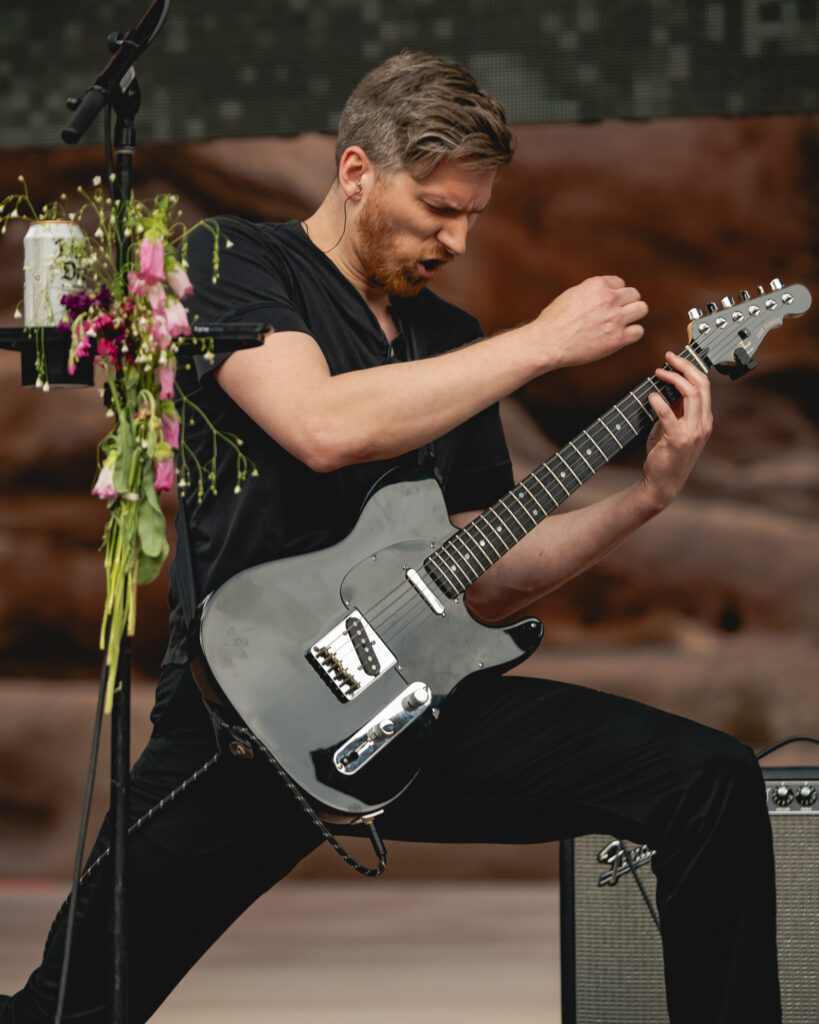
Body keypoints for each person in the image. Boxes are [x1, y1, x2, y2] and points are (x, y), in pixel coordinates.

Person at [1, 51, 780, 1023]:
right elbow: (320, 427)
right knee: (66, 1008)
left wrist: (644, 498)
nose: (456, 238)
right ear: (357, 171)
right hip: (245, 720)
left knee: (708, 780)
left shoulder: (450, 339)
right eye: (437, 210)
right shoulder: (234, 264)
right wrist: (541, 341)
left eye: (474, 216)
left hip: (408, 711)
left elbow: (480, 578)